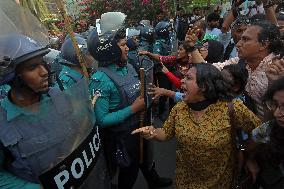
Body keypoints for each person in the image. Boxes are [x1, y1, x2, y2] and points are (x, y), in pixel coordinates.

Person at [0, 34, 109, 189]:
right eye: (32, 67)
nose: (44, 71)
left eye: (42, 63)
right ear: (12, 77)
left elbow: (80, 130)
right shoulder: (2, 121)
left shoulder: (60, 96)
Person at [132, 63, 261, 189]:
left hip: (219, 182)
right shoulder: (179, 108)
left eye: (188, 78)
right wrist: (152, 132)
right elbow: (166, 133)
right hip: (185, 180)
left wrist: (250, 156)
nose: (182, 81)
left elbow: (261, 131)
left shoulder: (231, 108)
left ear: (204, 86)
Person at [87, 12, 172, 189]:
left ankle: (153, 181)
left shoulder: (127, 67)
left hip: (141, 126)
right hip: (123, 137)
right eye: (123, 45)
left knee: (146, 159)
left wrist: (150, 97)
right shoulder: (100, 80)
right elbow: (101, 120)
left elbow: (138, 90)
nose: (128, 48)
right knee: (129, 171)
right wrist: (133, 109)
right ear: (109, 50)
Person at [189, 21, 283, 119]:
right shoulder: (241, 61)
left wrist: (274, 83)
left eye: (245, 39)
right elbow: (208, 69)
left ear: (263, 45)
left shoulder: (278, 69)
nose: (238, 44)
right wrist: (192, 47)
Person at [252, 76, 284, 189]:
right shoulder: (270, 128)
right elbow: (248, 142)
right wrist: (250, 159)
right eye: (276, 105)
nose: (277, 113)